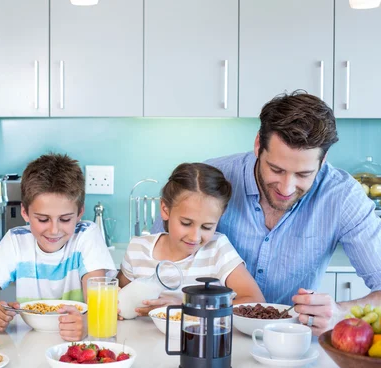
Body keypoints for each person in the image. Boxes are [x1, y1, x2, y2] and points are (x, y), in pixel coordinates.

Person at [152, 91, 381, 335]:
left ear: (323, 161)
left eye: (303, 175)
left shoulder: (344, 197)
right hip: (205, 334)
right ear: (258, 145)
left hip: (292, 343)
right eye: (276, 169)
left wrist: (340, 312)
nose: (286, 188)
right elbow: (157, 260)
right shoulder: (210, 182)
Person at [0, 153, 116, 341]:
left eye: (65, 219)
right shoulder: (17, 240)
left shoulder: (86, 235)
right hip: (30, 342)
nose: (54, 230)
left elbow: (97, 303)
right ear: (25, 213)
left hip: (76, 345)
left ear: (80, 213)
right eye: (43, 219)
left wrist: (86, 323)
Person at [119, 163, 265, 318]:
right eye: (186, 223)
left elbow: (256, 301)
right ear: (165, 209)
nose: (195, 237)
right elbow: (119, 300)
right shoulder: (138, 249)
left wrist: (186, 307)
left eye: (207, 227)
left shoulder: (217, 249)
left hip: (200, 340)